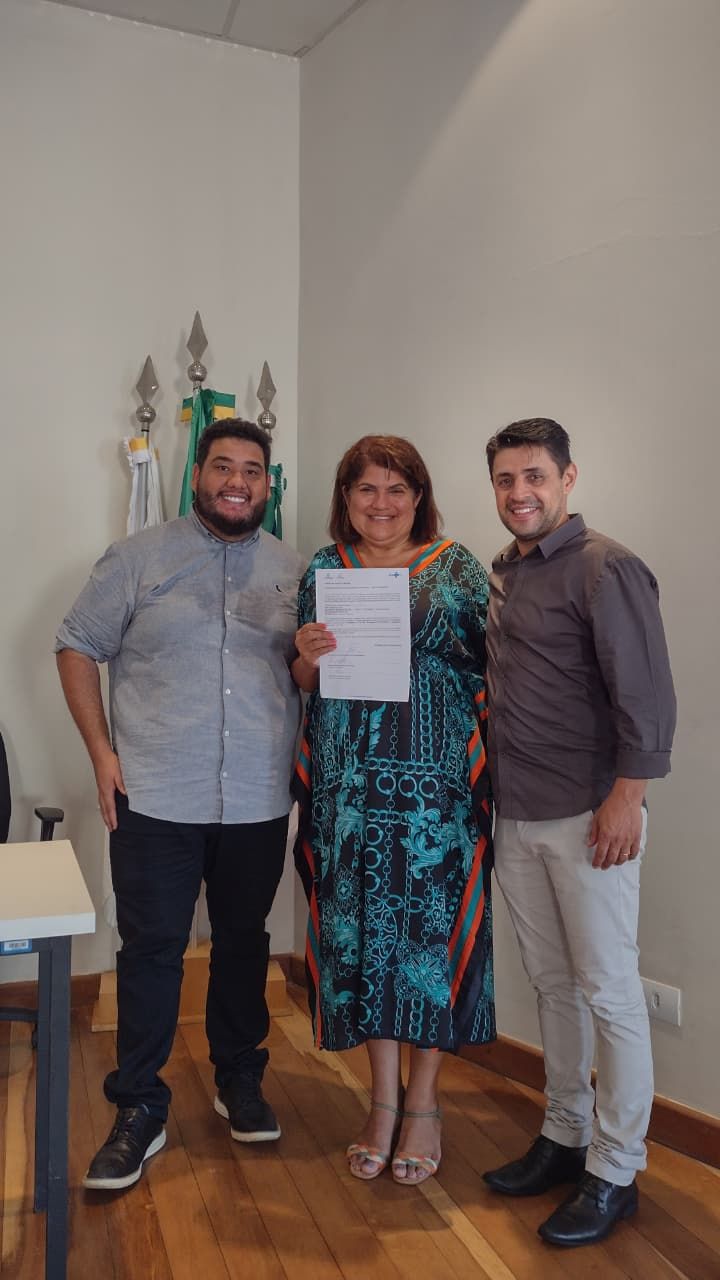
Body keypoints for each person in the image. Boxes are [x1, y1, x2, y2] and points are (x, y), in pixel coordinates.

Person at [55, 419, 305, 1190]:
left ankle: (240, 1079)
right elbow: (76, 646)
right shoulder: (135, 558)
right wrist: (102, 755)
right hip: (155, 794)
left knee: (243, 942)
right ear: (198, 473)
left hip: (257, 796)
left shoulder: (296, 572)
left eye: (252, 470)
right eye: (223, 466)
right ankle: (139, 1106)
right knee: (152, 950)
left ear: (267, 484)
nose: (237, 482)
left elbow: (304, 675)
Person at [482, 418, 676, 1247]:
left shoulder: (606, 566)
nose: (518, 492)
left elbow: (647, 694)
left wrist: (628, 798)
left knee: (609, 989)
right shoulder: (506, 571)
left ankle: (617, 1169)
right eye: (505, 479)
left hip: (591, 815)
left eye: (534, 476)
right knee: (552, 985)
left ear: (567, 479)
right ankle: (565, 1134)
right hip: (517, 811)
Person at [292, 435, 494, 1186]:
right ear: (346, 498)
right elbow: (304, 680)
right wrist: (306, 652)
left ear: (419, 497)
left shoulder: (457, 566)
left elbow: (494, 667)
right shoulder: (324, 569)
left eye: (396, 489)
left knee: (424, 942)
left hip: (433, 793)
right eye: (366, 489)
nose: (381, 503)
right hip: (349, 790)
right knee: (364, 940)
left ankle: (425, 1104)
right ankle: (381, 1101)